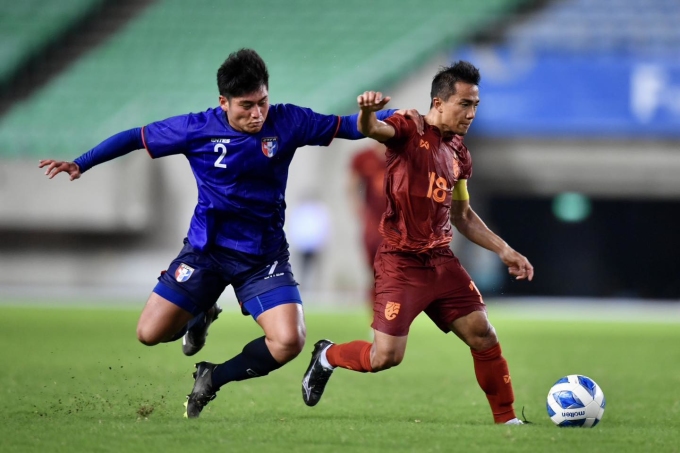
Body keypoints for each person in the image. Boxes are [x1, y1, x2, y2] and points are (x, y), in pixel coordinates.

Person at [38, 48, 421, 419]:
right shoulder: (195, 128)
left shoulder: (287, 122)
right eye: (246, 106)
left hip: (262, 257)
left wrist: (399, 116)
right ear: (224, 102)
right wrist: (81, 163)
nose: (257, 114)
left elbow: (348, 126)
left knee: (289, 341)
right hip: (206, 253)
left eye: (263, 102)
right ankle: (200, 312)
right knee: (149, 333)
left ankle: (213, 376)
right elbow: (135, 137)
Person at [301, 61, 534, 425]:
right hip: (401, 262)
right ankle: (328, 356)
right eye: (465, 104)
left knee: (482, 334)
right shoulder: (409, 127)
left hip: (441, 262)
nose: (471, 113)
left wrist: (504, 249)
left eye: (475, 105)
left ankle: (507, 420)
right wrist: (365, 113)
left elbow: (463, 215)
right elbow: (373, 129)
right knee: (386, 357)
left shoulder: (460, 154)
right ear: (439, 102)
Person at [348, 145, 387, 307]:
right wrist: (360, 212)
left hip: (399, 225)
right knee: (375, 273)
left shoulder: (404, 154)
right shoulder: (363, 157)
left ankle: (391, 318)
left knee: (393, 274)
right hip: (374, 226)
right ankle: (377, 318)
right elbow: (352, 187)